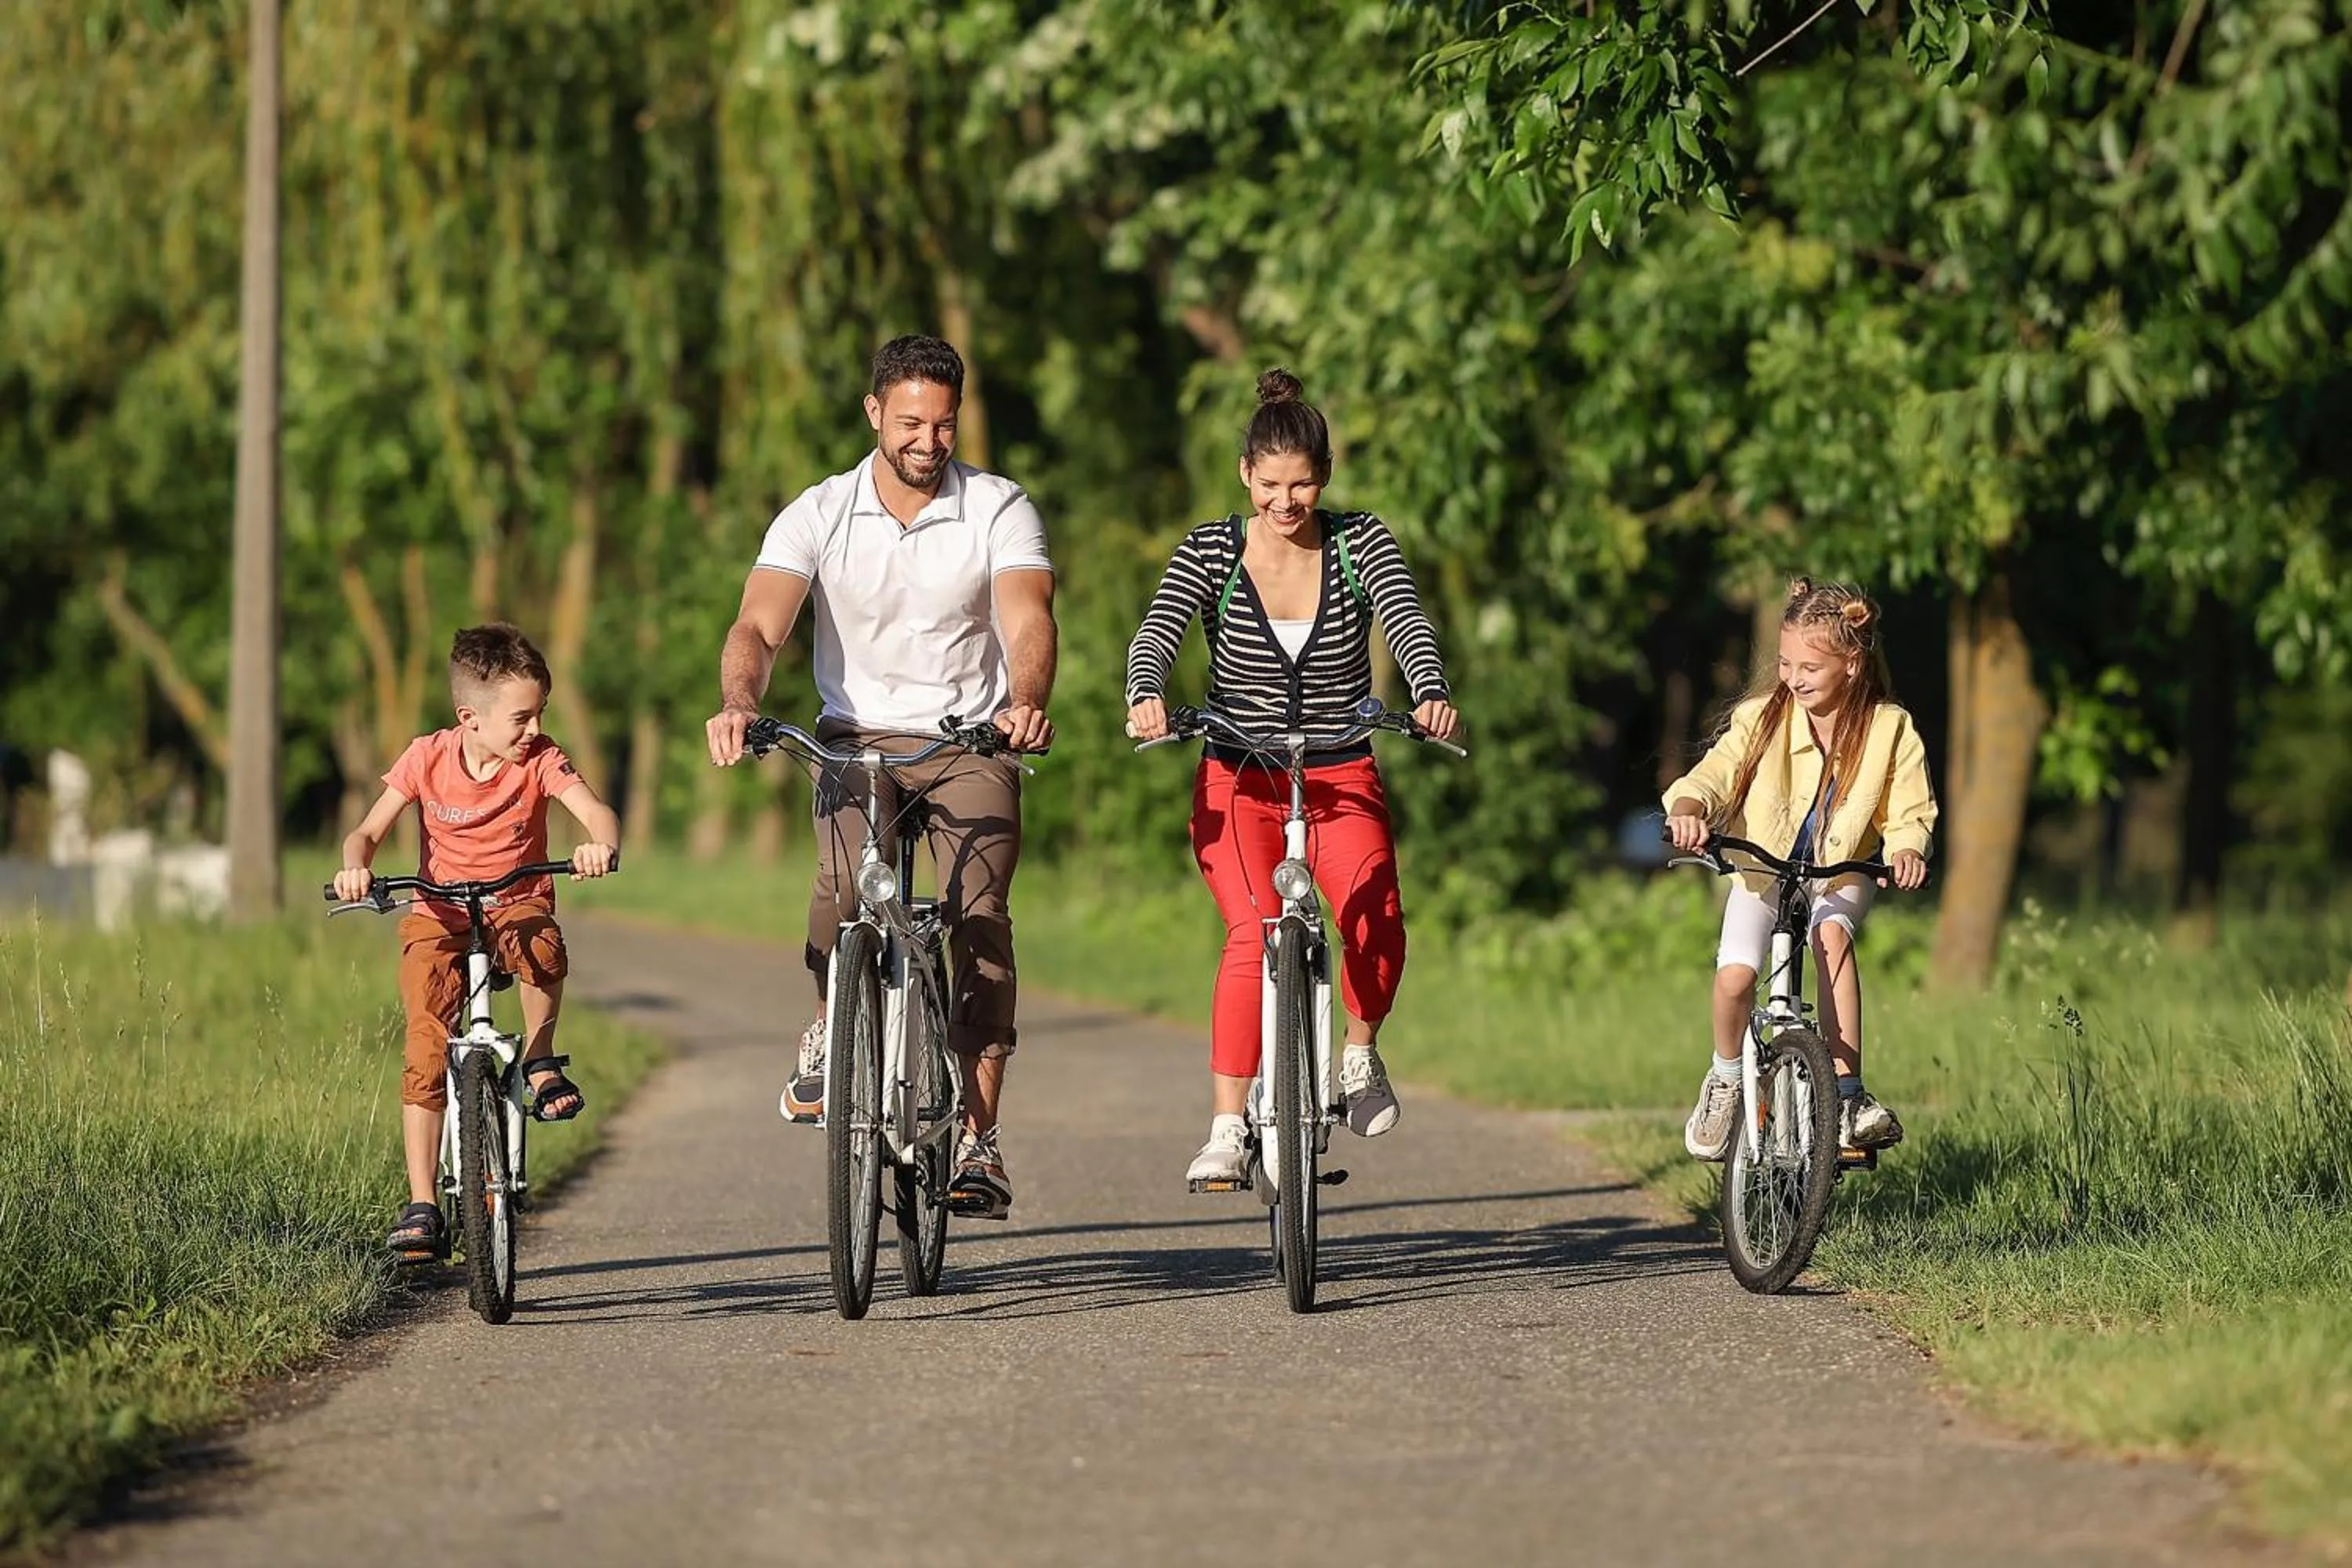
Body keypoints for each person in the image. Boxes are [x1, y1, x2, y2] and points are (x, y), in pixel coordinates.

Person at [704, 333, 1056, 1222]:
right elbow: (758, 624)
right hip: (856, 741)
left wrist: (1025, 699)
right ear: (873, 413)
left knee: (979, 916)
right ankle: (832, 1018)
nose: (927, 441)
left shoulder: (997, 505)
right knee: (843, 883)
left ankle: (978, 1137)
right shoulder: (819, 511)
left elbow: (1028, 616)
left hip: (970, 737)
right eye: (909, 422)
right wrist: (742, 701)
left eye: (943, 424)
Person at [1125, 368, 1461, 1189]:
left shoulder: (1360, 541)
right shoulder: (1211, 548)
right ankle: (1227, 1125)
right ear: (1246, 474)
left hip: (1341, 770)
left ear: (1326, 474)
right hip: (1237, 775)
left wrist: (1428, 689)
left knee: (1377, 912)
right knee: (1254, 928)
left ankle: (1356, 1053)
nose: (1287, 500)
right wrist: (1147, 692)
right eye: (1271, 484)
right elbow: (1159, 628)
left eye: (1303, 482)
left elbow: (1406, 617)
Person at [334, 623, 621, 1261]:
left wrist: (601, 843)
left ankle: (541, 1057)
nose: (533, 728)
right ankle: (422, 1204)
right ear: (470, 717)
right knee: (425, 1043)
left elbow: (597, 812)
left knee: (542, 944)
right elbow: (367, 833)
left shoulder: (543, 759)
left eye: (540, 714)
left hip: (516, 902)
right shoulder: (426, 757)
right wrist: (355, 865)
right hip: (441, 913)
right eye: (521, 718)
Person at [1662, 578, 1937, 1159]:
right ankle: (1724, 1075)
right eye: (1786, 663)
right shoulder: (1764, 716)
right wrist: (1689, 809)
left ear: (1854, 664)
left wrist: (1906, 850)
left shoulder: (1890, 729)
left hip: (1840, 871)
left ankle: (1848, 1096)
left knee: (1831, 934)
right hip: (1763, 870)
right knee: (1736, 977)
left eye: (1811, 665)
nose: (1794, 677)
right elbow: (1716, 773)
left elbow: (1910, 809)